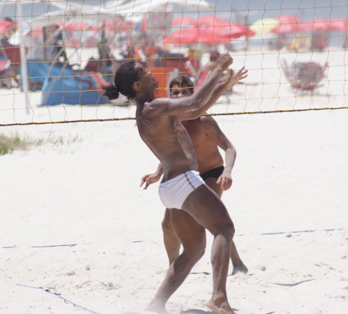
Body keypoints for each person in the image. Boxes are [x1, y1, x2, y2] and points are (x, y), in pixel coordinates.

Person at [102, 54, 247, 314]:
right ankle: (219, 299)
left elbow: (196, 110)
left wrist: (224, 84)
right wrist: (218, 69)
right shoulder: (152, 107)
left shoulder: (147, 110)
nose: (149, 73)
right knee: (224, 228)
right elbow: (194, 100)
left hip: (171, 186)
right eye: (143, 72)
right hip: (183, 181)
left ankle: (156, 305)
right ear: (137, 85)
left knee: (193, 250)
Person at [141, 75, 248, 275]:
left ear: (192, 95)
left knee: (213, 220)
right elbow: (171, 153)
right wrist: (157, 173)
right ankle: (174, 266)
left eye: (184, 92)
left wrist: (228, 171)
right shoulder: (170, 121)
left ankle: (238, 263)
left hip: (212, 173)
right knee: (167, 225)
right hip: (186, 175)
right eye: (175, 92)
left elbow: (230, 149)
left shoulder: (204, 120)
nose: (179, 95)